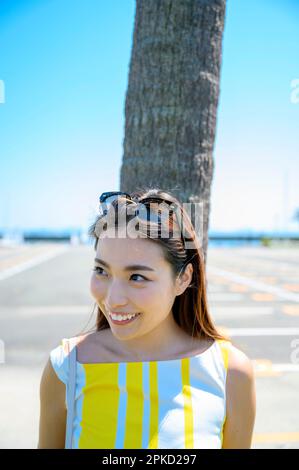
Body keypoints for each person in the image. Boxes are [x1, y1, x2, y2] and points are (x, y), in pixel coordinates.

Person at [38, 188, 256, 449]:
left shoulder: (231, 373)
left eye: (137, 277)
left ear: (183, 278)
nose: (113, 298)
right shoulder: (66, 367)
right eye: (101, 270)